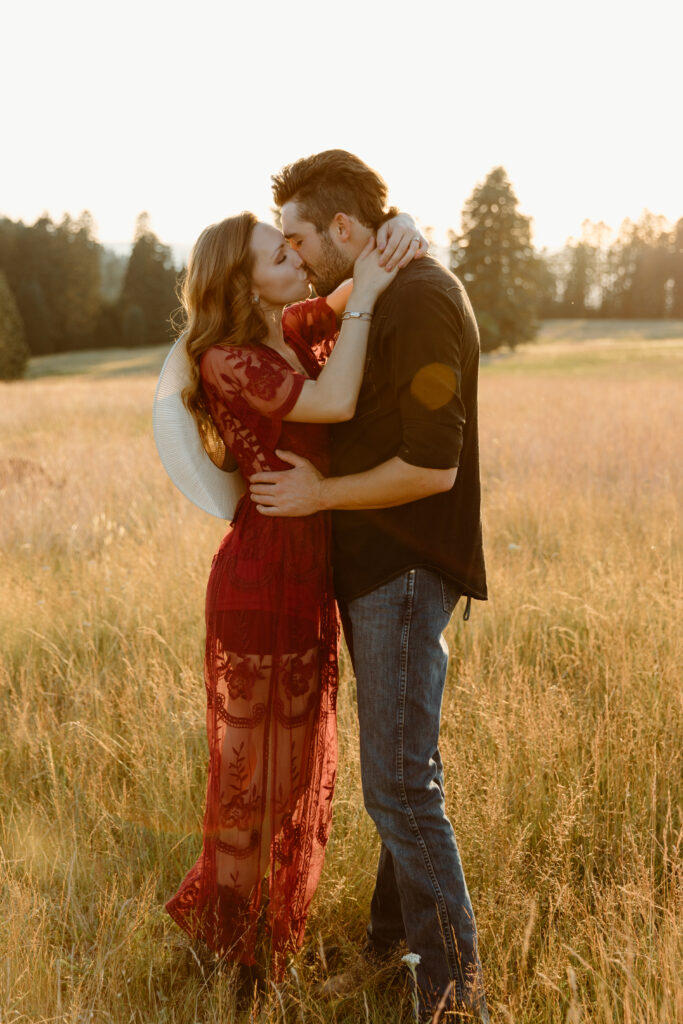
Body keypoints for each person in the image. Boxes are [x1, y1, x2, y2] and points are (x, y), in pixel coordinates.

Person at [249, 150, 489, 1022]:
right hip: (385, 571)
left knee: (399, 788)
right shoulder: (392, 287)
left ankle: (454, 999)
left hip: (405, 568)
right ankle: (393, 953)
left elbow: (431, 465)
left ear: (344, 230)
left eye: (301, 238)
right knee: (402, 773)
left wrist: (321, 495)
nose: (297, 255)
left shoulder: (420, 299)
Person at [163, 208, 426, 980]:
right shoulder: (229, 358)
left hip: (305, 579)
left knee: (294, 776)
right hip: (257, 579)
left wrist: (395, 226)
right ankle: (232, 963)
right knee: (251, 787)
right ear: (240, 281)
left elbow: (355, 275)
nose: (294, 259)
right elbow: (334, 402)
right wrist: (371, 290)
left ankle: (260, 949)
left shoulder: (293, 326)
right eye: (278, 255)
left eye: (289, 247)